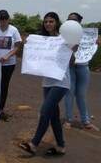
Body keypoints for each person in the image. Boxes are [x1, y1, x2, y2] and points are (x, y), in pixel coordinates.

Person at [19, 12, 72, 156]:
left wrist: (74, 49)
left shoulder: (64, 39)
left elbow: (72, 60)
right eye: (46, 21)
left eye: (51, 21)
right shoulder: (41, 40)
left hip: (61, 81)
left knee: (44, 111)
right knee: (54, 116)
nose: (48, 24)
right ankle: (61, 146)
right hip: (47, 82)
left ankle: (34, 144)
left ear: (57, 23)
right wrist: (27, 45)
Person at [0, 10, 22, 121]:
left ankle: (0, 110)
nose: (3, 22)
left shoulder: (13, 30)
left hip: (9, 64)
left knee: (3, 86)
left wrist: (8, 55)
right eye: (1, 20)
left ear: (8, 19)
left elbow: (17, 46)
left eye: (5, 20)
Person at [64, 13, 96, 130]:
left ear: (79, 22)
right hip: (69, 67)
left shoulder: (87, 35)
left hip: (83, 67)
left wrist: (94, 44)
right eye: (69, 20)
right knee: (69, 93)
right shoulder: (63, 34)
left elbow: (91, 47)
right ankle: (68, 120)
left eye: (74, 20)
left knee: (81, 95)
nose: (71, 22)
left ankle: (86, 121)